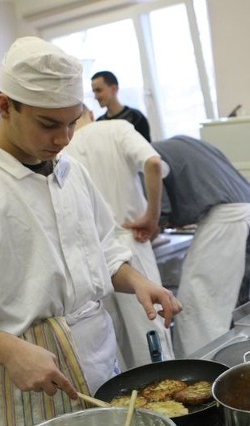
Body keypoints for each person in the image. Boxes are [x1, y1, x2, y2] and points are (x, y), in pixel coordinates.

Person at [0, 36, 181, 426]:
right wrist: (11, 351)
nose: (65, 138)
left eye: (73, 121)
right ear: (4, 106)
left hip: (103, 364)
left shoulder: (72, 173)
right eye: (49, 124)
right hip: (32, 385)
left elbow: (102, 249)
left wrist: (137, 281)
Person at [127, 135, 250, 357]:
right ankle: (241, 355)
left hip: (226, 216)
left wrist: (146, 230)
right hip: (247, 206)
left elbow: (161, 210)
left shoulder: (146, 161)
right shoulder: (175, 143)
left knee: (198, 302)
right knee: (235, 295)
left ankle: (206, 365)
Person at [65, 107, 175, 369]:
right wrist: (152, 215)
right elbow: (153, 162)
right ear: (90, 112)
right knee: (151, 336)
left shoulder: (61, 151)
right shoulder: (116, 129)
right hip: (130, 241)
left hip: (92, 258)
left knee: (115, 351)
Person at [90, 71, 151, 142]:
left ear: (114, 89)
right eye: (94, 91)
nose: (95, 96)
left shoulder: (136, 117)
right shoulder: (99, 123)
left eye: (99, 90)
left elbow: (147, 149)